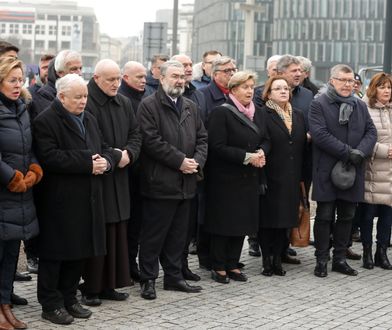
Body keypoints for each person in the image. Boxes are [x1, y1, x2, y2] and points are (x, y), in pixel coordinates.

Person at [33, 74, 114, 325]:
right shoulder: (45, 120)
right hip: (59, 200)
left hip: (87, 198)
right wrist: (87, 163)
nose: (83, 101)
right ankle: (51, 303)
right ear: (61, 96)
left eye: (85, 96)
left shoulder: (89, 118)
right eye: (78, 97)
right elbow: (49, 157)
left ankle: (69, 298)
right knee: (55, 255)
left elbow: (100, 147)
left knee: (78, 252)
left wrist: (106, 161)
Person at [137, 60, 207, 300]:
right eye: (174, 76)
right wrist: (180, 161)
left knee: (179, 236)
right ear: (162, 78)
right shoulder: (148, 106)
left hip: (186, 183)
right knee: (153, 236)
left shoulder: (190, 106)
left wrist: (196, 161)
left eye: (182, 77)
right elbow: (151, 141)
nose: (179, 80)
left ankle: (174, 277)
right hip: (160, 183)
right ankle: (148, 279)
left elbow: (202, 138)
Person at [81, 59, 141, 306]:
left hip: (121, 177)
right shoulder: (87, 100)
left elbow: (136, 134)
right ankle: (91, 287)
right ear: (96, 78)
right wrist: (117, 157)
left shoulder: (124, 102)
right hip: (99, 178)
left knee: (117, 232)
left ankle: (110, 284)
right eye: (111, 80)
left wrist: (130, 154)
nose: (116, 84)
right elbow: (93, 139)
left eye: (118, 79)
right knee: (98, 233)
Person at [309, 64, 377, 278]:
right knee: (324, 215)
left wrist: (361, 152)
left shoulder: (359, 105)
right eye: (343, 80)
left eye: (351, 81)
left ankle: (339, 258)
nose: (348, 85)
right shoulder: (319, 104)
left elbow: (371, 132)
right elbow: (319, 134)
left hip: (353, 169)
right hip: (327, 169)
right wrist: (349, 152)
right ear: (332, 81)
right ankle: (321, 258)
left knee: (347, 215)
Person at [205, 71, 269, 283]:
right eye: (244, 87)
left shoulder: (258, 112)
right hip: (225, 179)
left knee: (242, 222)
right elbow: (217, 146)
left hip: (249, 178)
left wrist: (261, 152)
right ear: (233, 90)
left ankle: (233, 263)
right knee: (224, 224)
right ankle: (218, 265)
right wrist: (246, 157)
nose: (250, 91)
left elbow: (266, 139)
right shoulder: (221, 113)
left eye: (251, 87)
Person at [0, 56, 40, 330]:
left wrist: (34, 169)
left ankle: (5, 305)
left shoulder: (23, 107)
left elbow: (28, 147)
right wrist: (11, 177)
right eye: (11, 80)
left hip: (21, 194)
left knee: (12, 255)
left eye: (20, 80)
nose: (17, 85)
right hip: (4, 190)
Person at [258, 76, 307, 276]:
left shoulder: (299, 115)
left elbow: (302, 146)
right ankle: (266, 259)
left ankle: (278, 257)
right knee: (268, 222)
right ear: (269, 93)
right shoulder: (262, 114)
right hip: (270, 175)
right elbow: (260, 141)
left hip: (292, 177)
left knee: (286, 221)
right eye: (278, 88)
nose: (283, 91)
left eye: (286, 88)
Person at [198, 56, 237, 270]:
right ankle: (207, 257)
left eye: (233, 69)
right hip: (212, 162)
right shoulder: (203, 95)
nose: (231, 73)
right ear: (215, 74)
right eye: (227, 70)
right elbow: (202, 128)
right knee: (209, 213)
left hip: (232, 163)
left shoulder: (236, 95)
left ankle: (226, 257)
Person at [360, 72, 392, 270]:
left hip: (390, 174)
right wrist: (384, 150)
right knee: (367, 215)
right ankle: (366, 253)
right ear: (373, 89)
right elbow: (360, 138)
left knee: (387, 216)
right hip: (371, 170)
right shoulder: (364, 108)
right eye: (382, 87)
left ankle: (382, 252)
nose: (387, 91)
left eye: (389, 87)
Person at [118, 60, 147, 282]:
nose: (144, 80)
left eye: (145, 76)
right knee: (125, 224)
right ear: (125, 78)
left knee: (136, 224)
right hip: (123, 170)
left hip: (139, 171)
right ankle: (123, 266)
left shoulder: (143, 99)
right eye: (139, 77)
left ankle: (130, 264)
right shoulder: (122, 99)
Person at [29, 50, 83, 120]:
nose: (79, 73)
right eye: (74, 69)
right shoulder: (40, 98)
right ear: (59, 73)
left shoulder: (82, 96)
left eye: (80, 68)